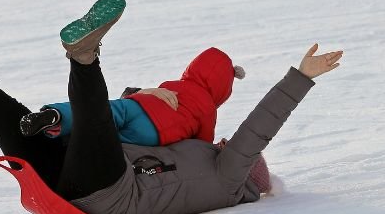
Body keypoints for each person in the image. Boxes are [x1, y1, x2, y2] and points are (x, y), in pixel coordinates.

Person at [0, 0, 342, 214]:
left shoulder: (230, 178)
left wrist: (301, 77)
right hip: (86, 176)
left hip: (111, 193)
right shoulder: (197, 148)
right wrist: (143, 93)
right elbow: (143, 124)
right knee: (5, 114)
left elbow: (258, 129)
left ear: (250, 173)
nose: (227, 142)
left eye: (235, 150)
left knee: (94, 120)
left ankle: (83, 57)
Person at [19, 45, 246, 147]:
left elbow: (157, 97)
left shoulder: (174, 84)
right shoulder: (207, 108)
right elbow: (202, 144)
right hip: (153, 133)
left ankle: (57, 117)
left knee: (102, 111)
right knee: (112, 140)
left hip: (136, 105)